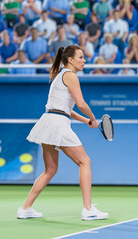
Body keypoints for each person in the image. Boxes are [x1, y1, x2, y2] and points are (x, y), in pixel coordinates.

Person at [19, 45, 109, 221]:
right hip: (58, 124)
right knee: (85, 162)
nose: (84, 60)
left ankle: (25, 208)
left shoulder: (59, 76)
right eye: (81, 57)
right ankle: (88, 209)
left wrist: (86, 121)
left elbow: (66, 109)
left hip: (49, 121)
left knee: (50, 169)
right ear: (71, 60)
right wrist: (93, 118)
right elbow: (81, 104)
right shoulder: (71, 76)